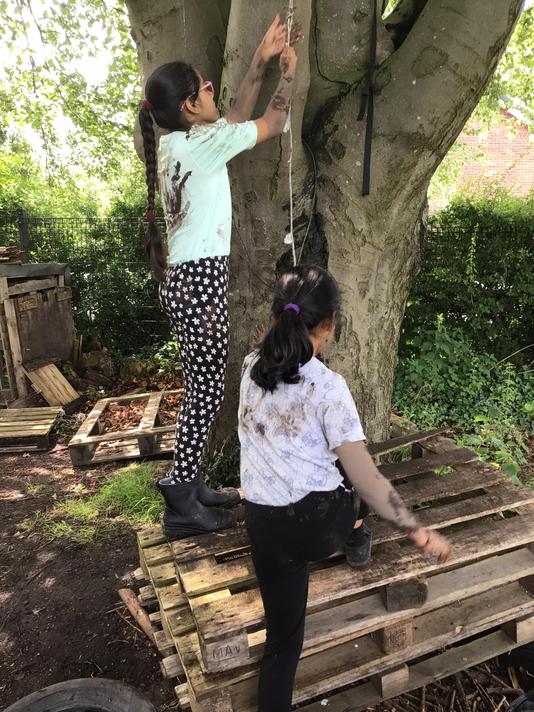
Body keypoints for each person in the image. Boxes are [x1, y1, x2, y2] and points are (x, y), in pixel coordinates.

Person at [238, 264, 451, 712]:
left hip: (263, 526)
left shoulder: (250, 367)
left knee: (283, 643)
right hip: (318, 527)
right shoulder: (329, 388)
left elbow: (271, 341)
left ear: (276, 315)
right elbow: (366, 479)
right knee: (354, 473)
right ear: (330, 324)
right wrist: (418, 532)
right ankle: (356, 534)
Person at [137, 16, 301, 539]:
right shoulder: (204, 145)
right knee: (206, 393)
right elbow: (270, 120)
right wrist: (287, 73)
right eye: (204, 87)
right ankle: (181, 501)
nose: (212, 89)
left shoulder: (176, 143)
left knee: (201, 389)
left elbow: (232, 117)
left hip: (183, 283)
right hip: (200, 283)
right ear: (189, 106)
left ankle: (189, 483)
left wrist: (259, 59)